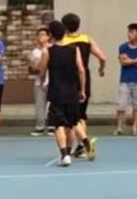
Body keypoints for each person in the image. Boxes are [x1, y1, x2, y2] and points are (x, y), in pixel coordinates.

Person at [39, 20, 96, 167]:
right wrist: (82, 89)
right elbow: (81, 70)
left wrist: (43, 81)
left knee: (59, 125)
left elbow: (42, 70)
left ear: (51, 35)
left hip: (56, 92)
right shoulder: (74, 50)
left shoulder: (47, 51)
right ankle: (85, 143)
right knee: (73, 122)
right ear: (64, 34)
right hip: (72, 91)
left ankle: (65, 155)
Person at [61, 12, 106, 158]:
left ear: (64, 26)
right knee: (81, 114)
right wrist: (101, 68)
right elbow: (102, 57)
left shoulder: (63, 41)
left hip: (68, 79)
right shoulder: (87, 39)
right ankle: (81, 145)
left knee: (69, 116)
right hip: (84, 79)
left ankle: (76, 145)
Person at [114, 23, 137, 136]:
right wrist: (136, 60)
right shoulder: (123, 47)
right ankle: (119, 127)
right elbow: (123, 62)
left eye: (132, 32)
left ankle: (135, 127)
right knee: (121, 105)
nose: (129, 34)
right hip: (125, 80)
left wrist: (130, 60)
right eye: (129, 32)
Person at [29, 27, 51, 137]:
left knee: (52, 104)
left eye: (43, 35)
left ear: (48, 36)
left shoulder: (52, 49)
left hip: (51, 80)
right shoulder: (35, 52)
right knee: (39, 104)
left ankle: (52, 126)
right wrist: (37, 64)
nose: (41, 37)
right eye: (39, 35)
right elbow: (32, 68)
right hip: (39, 81)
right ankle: (40, 126)